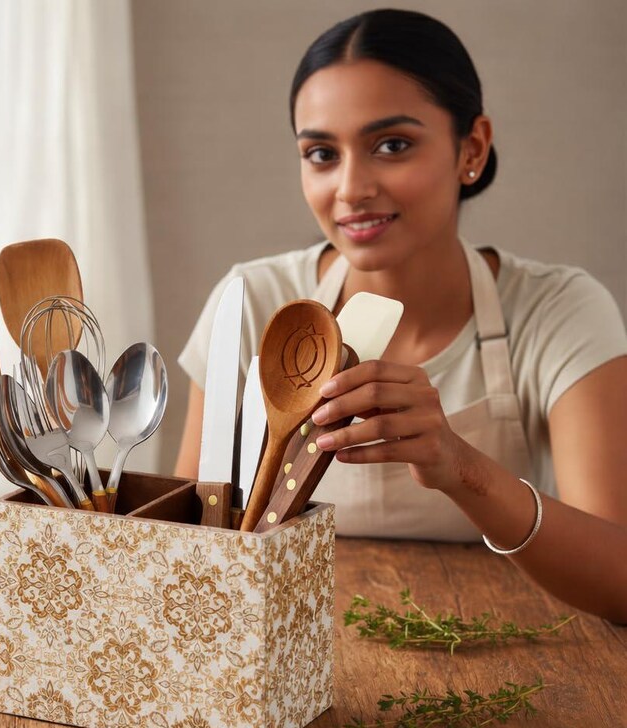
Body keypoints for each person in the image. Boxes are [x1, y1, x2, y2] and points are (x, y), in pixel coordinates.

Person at [175, 9, 627, 623]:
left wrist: (458, 465)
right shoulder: (255, 299)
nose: (351, 187)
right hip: (290, 641)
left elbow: (620, 582)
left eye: (392, 145)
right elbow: (187, 544)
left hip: (509, 639)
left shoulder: (558, 310)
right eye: (321, 153)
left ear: (472, 147)